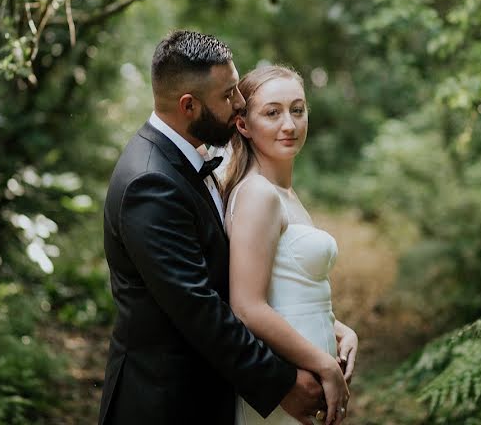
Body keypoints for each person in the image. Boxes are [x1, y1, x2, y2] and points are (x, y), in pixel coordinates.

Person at [98, 32, 325, 425]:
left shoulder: (192, 158)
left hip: (210, 393)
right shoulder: (149, 183)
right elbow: (199, 309)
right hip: (167, 403)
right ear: (189, 106)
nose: (240, 103)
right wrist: (282, 383)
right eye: (228, 95)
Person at [222, 65, 359, 425]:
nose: (290, 124)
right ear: (243, 125)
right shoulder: (258, 194)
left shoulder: (283, 193)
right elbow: (248, 306)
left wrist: (340, 330)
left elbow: (288, 291)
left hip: (307, 382)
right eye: (273, 112)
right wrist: (324, 365)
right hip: (286, 383)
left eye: (297, 109)